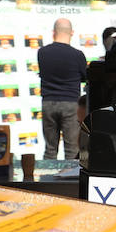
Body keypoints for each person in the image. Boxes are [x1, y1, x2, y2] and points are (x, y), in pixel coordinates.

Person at [37, 17, 88, 160]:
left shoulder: (42, 52)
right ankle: (69, 180)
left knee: (50, 149)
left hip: (48, 103)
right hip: (71, 103)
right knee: (72, 149)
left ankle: (47, 179)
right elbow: (84, 77)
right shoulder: (77, 55)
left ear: (53, 32)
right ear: (72, 33)